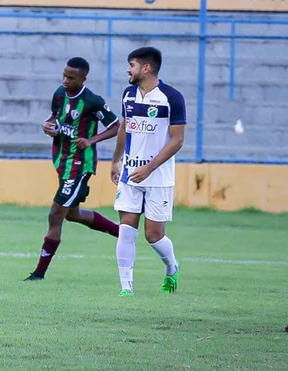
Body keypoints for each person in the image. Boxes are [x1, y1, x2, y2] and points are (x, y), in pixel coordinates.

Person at [25, 57, 122, 281]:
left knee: (56, 213)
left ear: (83, 79)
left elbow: (116, 126)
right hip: (62, 160)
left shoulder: (92, 101)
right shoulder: (59, 94)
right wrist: (47, 125)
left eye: (71, 78)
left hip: (80, 164)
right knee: (73, 214)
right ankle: (120, 232)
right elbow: (54, 118)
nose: (65, 80)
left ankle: (39, 274)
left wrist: (91, 140)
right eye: (64, 75)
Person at [111, 46, 185, 297]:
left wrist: (149, 168)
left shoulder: (171, 97)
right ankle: (126, 288)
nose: (128, 70)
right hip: (130, 174)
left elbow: (177, 140)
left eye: (131, 65)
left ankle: (172, 266)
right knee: (126, 228)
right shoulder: (128, 94)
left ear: (146, 67)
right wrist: (115, 160)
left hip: (159, 177)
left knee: (153, 235)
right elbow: (124, 128)